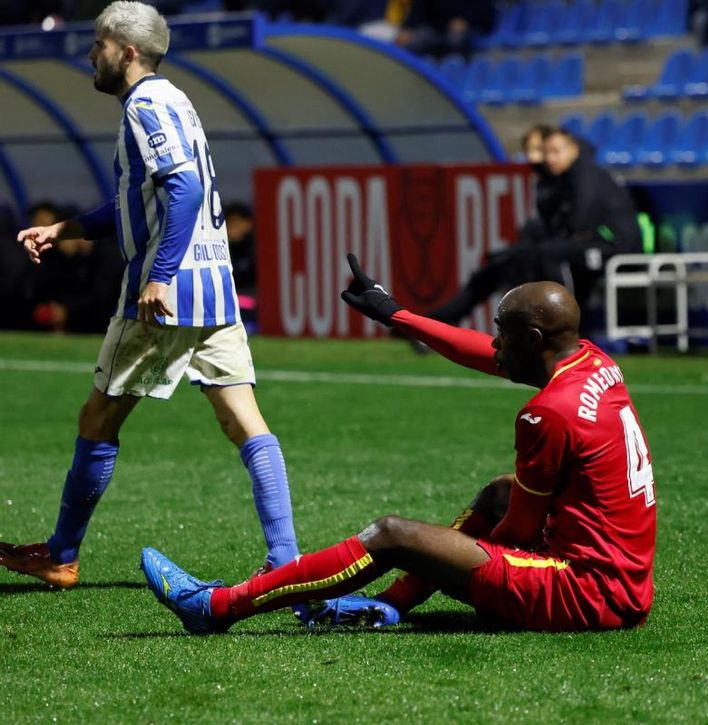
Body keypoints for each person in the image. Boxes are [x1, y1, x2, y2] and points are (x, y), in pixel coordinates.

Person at [0, 2, 379, 624]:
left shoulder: (145, 106)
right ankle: (285, 559)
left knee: (97, 417)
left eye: (97, 45)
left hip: (169, 292)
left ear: (125, 51)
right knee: (244, 420)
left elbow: (184, 188)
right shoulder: (175, 100)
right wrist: (63, 229)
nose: (89, 55)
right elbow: (140, 200)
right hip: (216, 287)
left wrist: (159, 274)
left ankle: (61, 554)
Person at [140, 259, 657, 634]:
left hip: (584, 594)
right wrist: (397, 315)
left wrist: (449, 561)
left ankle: (219, 606)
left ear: (535, 339)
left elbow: (519, 535)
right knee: (501, 491)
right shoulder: (591, 361)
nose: (494, 345)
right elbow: (487, 357)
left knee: (392, 534)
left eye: (503, 335)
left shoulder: (547, 413)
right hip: (623, 585)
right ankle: (387, 607)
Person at [428, 127, 641, 333]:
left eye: (552, 151)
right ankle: (451, 321)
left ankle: (562, 324)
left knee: (545, 254)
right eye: (542, 152)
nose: (543, 158)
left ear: (572, 150)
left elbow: (581, 222)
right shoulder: (557, 180)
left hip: (615, 247)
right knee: (512, 258)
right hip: (588, 246)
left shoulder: (585, 174)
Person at [27, 201, 126, 334]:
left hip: (108, 322)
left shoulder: (108, 255)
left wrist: (67, 309)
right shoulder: (68, 257)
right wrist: (68, 258)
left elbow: (100, 297)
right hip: (80, 320)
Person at [395, 0, 497, 59]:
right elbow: (418, 8)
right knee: (413, 41)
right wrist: (407, 28)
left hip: (470, 26)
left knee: (455, 38)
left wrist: (466, 20)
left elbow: (485, 8)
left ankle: (453, 78)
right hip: (437, 27)